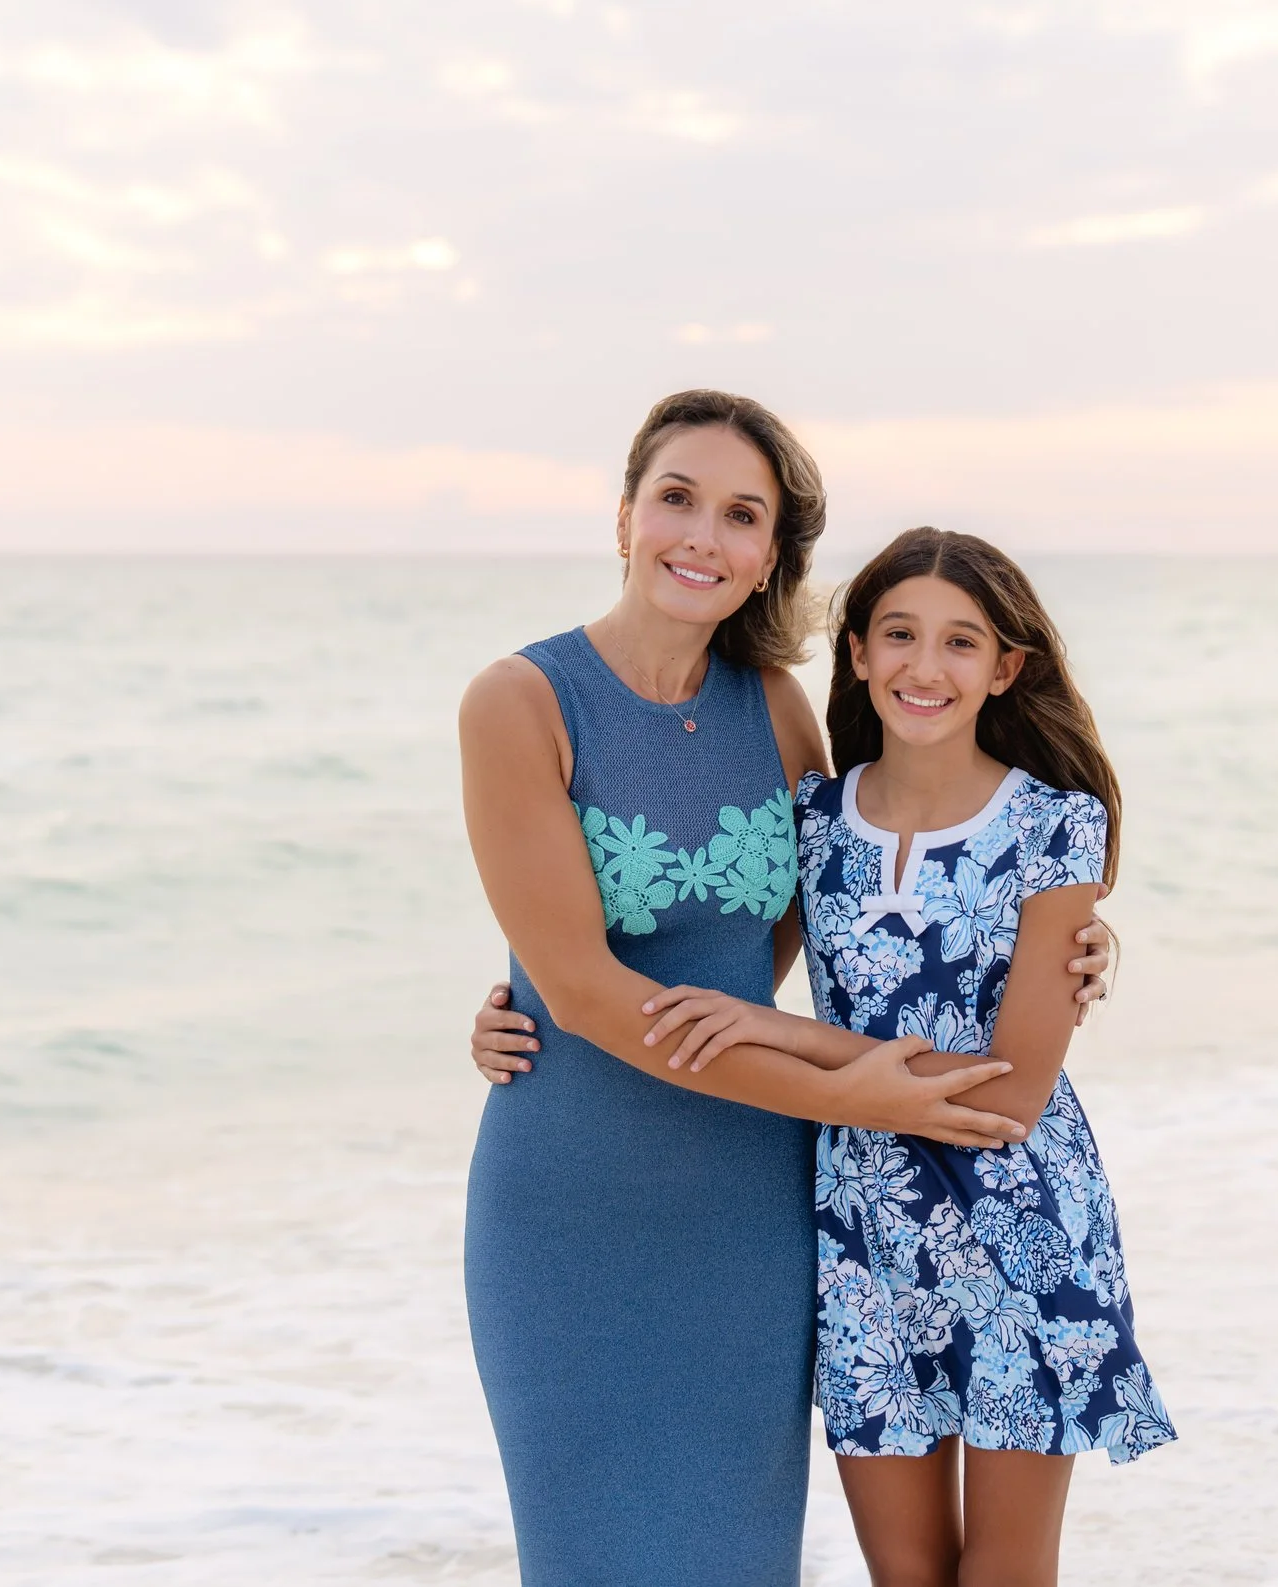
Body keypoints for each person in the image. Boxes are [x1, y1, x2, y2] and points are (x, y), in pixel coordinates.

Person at [457, 394, 1109, 1587]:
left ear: (770, 556)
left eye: (741, 513)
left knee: (743, 1556)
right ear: (622, 516)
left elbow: (866, 913)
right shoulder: (520, 699)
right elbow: (590, 989)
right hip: (576, 1194)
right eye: (676, 497)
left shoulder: (774, 707)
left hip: (760, 1195)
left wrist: (1069, 939)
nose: (701, 535)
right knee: (590, 1555)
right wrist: (524, 1000)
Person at [630, 527, 1174, 1587]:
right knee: (905, 1576)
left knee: (1004, 1572)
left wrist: (787, 1030)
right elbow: (695, 926)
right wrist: (530, 1001)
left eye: (961, 642)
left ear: (1005, 667)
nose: (927, 666)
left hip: (1021, 1228)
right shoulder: (814, 819)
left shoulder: (1057, 826)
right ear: (859, 654)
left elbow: (1011, 1091)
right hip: (863, 1233)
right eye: (900, 635)